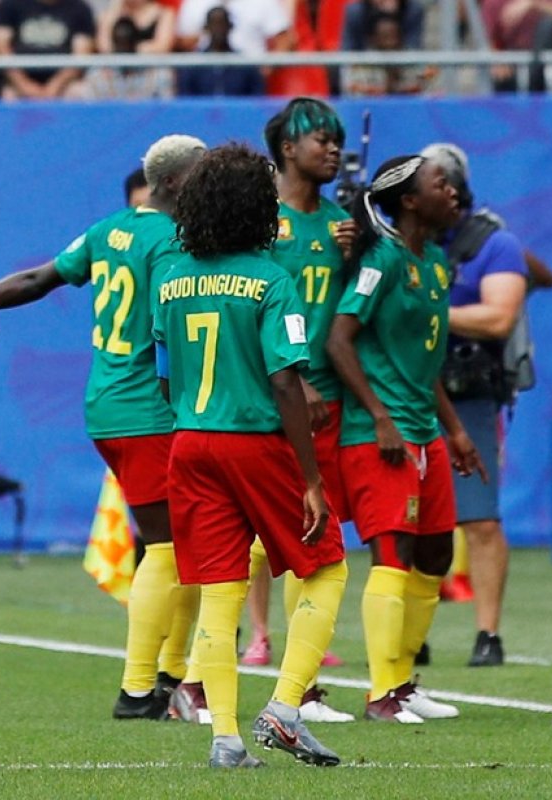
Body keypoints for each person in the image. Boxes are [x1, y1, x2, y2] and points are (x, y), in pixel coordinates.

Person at [0, 136, 208, 722]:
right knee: (171, 547)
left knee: (183, 545)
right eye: (202, 176)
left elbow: (38, 279)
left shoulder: (108, 231)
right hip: (150, 411)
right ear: (173, 184)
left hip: (107, 408)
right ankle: (143, 689)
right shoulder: (172, 243)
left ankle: (175, 678)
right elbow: (172, 332)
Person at [153, 143, 347, 768]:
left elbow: (164, 375)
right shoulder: (270, 279)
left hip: (190, 442)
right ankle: (287, 709)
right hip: (254, 440)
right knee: (326, 565)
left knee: (219, 588)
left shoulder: (171, 275)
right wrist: (311, 478)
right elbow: (287, 379)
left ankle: (227, 739)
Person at [325, 154, 485, 723]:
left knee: (437, 554)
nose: (453, 190)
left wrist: (457, 429)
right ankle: (382, 692)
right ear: (411, 201)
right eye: (440, 183)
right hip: (379, 433)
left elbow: (425, 361)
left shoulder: (435, 262)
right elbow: (340, 341)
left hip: (424, 430)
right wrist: (379, 416)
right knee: (391, 555)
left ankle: (403, 684)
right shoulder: (381, 260)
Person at [239, 97, 358, 722]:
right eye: (320, 139)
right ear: (288, 147)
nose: (332, 150)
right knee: (274, 532)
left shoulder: (341, 223)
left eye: (337, 140)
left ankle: (296, 670)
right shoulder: (265, 224)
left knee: (313, 531)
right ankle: (272, 654)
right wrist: (292, 379)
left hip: (328, 403)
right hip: (275, 397)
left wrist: (355, 254)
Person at [418, 142, 528, 669]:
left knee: (480, 519)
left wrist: (426, 311)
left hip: (470, 395)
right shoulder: (402, 242)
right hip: (408, 393)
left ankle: (489, 633)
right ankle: (409, 629)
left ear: (455, 191)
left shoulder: (494, 243)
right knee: (408, 520)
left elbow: (499, 317)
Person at [0, 0, 95, 100]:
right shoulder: (10, 4)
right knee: (8, 95)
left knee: (78, 92)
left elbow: (80, 57)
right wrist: (25, 86)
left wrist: (55, 86)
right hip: (17, 82)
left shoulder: (80, 8)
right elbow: (1, 49)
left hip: (64, 84)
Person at [175, 6, 265, 97]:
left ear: (230, 26)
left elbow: (257, 99)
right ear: (206, 28)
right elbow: (185, 100)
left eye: (222, 24)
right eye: (214, 24)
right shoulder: (193, 66)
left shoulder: (245, 65)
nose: (218, 29)